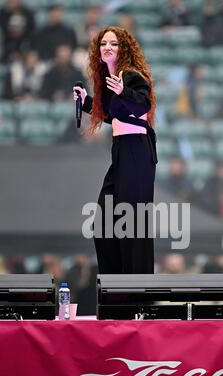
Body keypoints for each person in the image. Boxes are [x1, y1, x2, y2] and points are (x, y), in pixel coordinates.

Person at [73, 26, 157, 274]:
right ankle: (115, 288)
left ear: (124, 49)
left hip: (136, 152)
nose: (107, 47)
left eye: (114, 43)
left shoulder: (131, 75)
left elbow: (143, 103)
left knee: (133, 225)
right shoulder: (111, 80)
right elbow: (114, 115)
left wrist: (124, 91)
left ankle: (137, 295)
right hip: (121, 152)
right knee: (104, 223)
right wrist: (87, 101)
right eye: (103, 44)